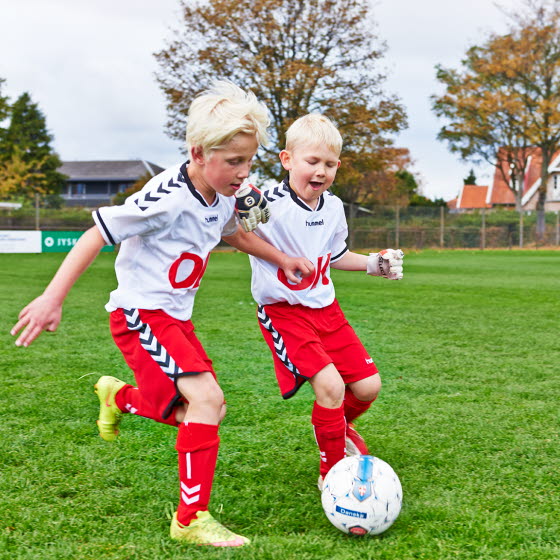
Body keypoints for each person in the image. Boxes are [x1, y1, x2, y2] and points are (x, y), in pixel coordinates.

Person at [10, 81, 313, 547]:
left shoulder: (225, 191)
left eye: (249, 160)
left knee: (205, 408)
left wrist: (281, 258)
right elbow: (96, 233)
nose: (243, 172)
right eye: (234, 161)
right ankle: (190, 520)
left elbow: (233, 232)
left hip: (175, 319)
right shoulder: (168, 198)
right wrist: (53, 297)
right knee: (207, 402)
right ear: (198, 152)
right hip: (140, 315)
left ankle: (119, 398)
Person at [248, 113, 404, 489]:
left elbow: (335, 256)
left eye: (330, 164)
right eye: (312, 161)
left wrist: (374, 264)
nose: (320, 171)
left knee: (368, 387)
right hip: (284, 312)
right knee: (331, 387)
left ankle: (336, 428)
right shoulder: (265, 204)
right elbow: (236, 233)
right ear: (287, 160)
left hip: (326, 309)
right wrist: (239, 202)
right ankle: (332, 474)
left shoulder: (333, 207)